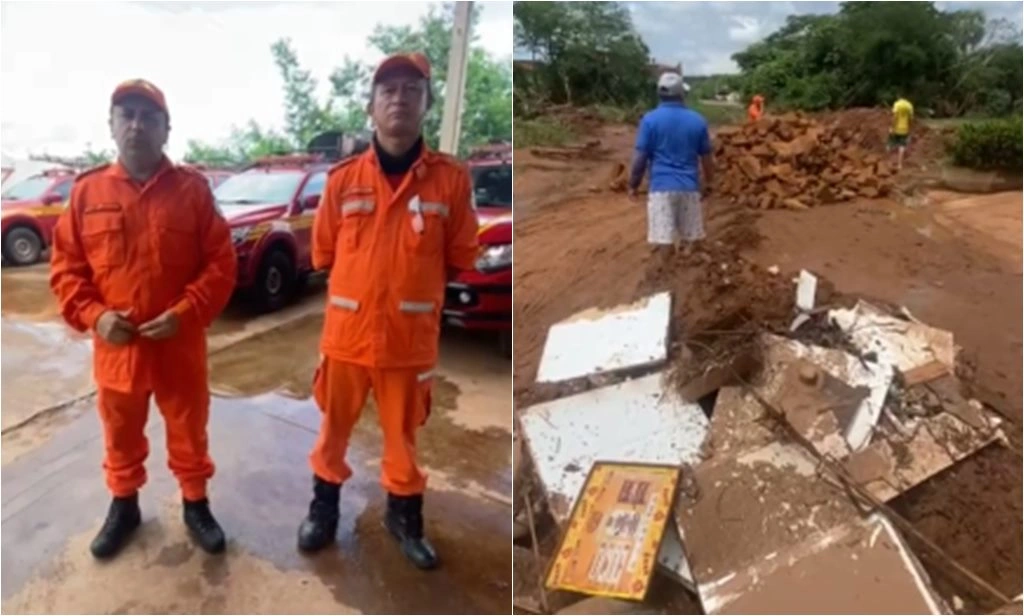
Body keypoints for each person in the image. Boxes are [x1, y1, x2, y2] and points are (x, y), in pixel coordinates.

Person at [297, 52, 479, 569]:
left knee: (403, 439)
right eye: (388, 90)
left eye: (411, 90)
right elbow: (324, 254)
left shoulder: (450, 180)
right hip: (347, 337)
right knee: (332, 432)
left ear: (426, 103)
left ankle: (404, 519)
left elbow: (460, 256)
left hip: (408, 340)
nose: (399, 99)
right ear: (371, 106)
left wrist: (410, 289)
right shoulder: (342, 180)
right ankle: (322, 512)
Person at [49, 79, 237, 559]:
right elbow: (66, 270)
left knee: (189, 430)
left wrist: (186, 312)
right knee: (119, 433)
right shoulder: (87, 192)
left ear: (166, 128)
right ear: (111, 126)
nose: (137, 125)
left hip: (179, 344)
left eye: (149, 117)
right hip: (119, 348)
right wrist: (95, 317)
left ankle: (195, 504)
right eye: (126, 115)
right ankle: (124, 506)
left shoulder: (192, 190)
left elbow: (221, 263)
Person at [628, 72, 715, 260]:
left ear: (659, 94)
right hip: (689, 187)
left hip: (661, 188)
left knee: (664, 241)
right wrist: (709, 183)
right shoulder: (698, 120)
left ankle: (665, 273)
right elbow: (707, 158)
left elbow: (640, 157)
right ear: (681, 93)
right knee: (692, 241)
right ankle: (691, 275)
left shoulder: (649, 120)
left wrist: (633, 185)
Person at [889, 95, 914, 170]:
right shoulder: (909, 105)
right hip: (905, 129)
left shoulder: (897, 104)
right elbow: (911, 119)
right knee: (902, 146)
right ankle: (899, 164)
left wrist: (892, 127)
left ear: (899, 97)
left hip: (896, 129)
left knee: (893, 145)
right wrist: (910, 129)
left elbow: (894, 117)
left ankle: (891, 163)